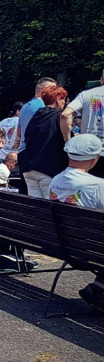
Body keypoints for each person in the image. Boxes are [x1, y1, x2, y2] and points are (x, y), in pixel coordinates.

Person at [48, 134, 104, 312]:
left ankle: (99, 288)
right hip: (91, 248)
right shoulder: (97, 185)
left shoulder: (55, 180)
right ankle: (99, 288)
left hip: (62, 244)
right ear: (94, 158)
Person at [22, 85, 69, 197]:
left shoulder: (36, 115)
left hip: (29, 168)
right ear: (58, 100)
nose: (65, 103)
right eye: (64, 100)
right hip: (48, 168)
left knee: (36, 208)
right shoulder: (59, 117)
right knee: (50, 207)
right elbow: (67, 142)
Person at [61, 71, 104, 176]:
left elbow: (65, 115)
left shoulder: (86, 95)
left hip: (90, 153)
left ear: (101, 80)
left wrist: (68, 141)